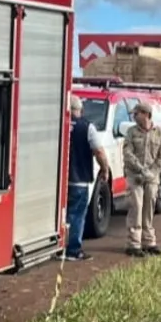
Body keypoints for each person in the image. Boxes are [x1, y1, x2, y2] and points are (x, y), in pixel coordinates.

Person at [63, 95, 109, 261]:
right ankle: (73, 250)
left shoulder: (61, 124)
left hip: (60, 182)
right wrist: (105, 169)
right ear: (80, 110)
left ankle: (59, 246)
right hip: (79, 180)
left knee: (62, 215)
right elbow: (99, 152)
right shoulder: (87, 127)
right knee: (77, 215)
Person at [122, 100, 161, 257]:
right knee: (136, 206)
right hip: (135, 176)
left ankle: (149, 242)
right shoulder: (131, 132)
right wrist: (141, 170)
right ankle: (134, 243)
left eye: (137, 113)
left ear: (146, 115)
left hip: (152, 178)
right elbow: (128, 154)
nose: (134, 116)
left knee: (149, 208)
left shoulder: (159, 133)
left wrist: (152, 172)